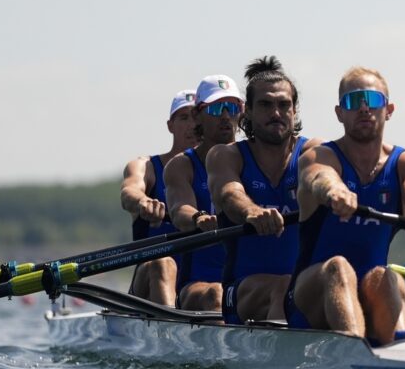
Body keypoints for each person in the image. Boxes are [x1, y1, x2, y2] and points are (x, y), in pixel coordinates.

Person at [285, 67, 405, 345]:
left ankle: (401, 350)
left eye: (373, 100)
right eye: (353, 101)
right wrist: (335, 191)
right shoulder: (319, 156)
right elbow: (319, 177)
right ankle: (354, 349)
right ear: (339, 113)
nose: (364, 108)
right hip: (308, 299)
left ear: (389, 109)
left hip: (371, 291)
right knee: (339, 267)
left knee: (386, 276)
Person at [207, 56, 321, 324]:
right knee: (282, 286)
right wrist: (253, 212)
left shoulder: (314, 152)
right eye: (266, 105)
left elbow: (325, 176)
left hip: (302, 288)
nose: (276, 113)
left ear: (295, 111)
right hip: (242, 292)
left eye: (284, 105)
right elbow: (229, 193)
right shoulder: (226, 155)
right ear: (247, 112)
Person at [164, 74, 243, 311]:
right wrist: (198, 218)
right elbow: (180, 210)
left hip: (246, 282)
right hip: (199, 283)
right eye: (217, 108)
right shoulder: (181, 165)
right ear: (198, 115)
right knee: (216, 294)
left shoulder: (255, 159)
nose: (226, 116)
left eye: (232, 107)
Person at [120, 89, 198, 305]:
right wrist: (143, 201)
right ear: (170, 125)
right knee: (162, 263)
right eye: (184, 117)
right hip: (147, 285)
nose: (192, 125)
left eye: (196, 117)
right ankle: (170, 331)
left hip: (198, 287)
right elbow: (129, 192)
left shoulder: (221, 170)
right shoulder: (146, 166)